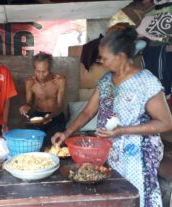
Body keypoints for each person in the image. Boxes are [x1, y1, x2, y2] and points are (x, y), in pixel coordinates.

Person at [51, 28, 172, 207]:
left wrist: (123, 130)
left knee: (137, 195)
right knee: (116, 195)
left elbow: (166, 123)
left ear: (121, 56)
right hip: (111, 150)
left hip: (138, 155)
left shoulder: (146, 82)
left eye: (104, 58)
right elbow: (88, 111)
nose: (101, 62)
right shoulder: (107, 80)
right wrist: (67, 132)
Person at [19, 52, 67, 149]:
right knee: (32, 143)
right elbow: (29, 103)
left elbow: (60, 105)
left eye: (44, 71)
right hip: (38, 117)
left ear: (50, 69)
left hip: (56, 116)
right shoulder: (30, 82)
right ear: (34, 69)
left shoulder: (59, 80)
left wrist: (50, 116)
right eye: (38, 71)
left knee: (52, 144)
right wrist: (26, 107)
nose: (41, 75)